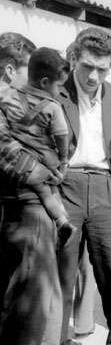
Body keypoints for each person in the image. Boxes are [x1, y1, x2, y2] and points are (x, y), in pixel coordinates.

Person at [0, 32, 77, 345]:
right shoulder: (5, 100)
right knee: (27, 304)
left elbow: (65, 140)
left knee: (30, 299)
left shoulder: (31, 101)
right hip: (23, 206)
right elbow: (6, 153)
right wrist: (47, 170)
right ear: (12, 69)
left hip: (31, 203)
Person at [55, 28, 111, 345]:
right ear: (73, 58)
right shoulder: (56, 92)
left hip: (107, 191)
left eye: (102, 70)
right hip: (65, 187)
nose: (93, 77)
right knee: (58, 280)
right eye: (87, 66)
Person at [0, 47, 77, 247]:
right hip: (43, 159)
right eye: (59, 86)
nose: (60, 91)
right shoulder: (52, 106)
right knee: (50, 191)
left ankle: (61, 222)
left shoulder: (8, 96)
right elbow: (62, 136)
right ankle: (62, 221)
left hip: (26, 161)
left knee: (44, 191)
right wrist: (63, 160)